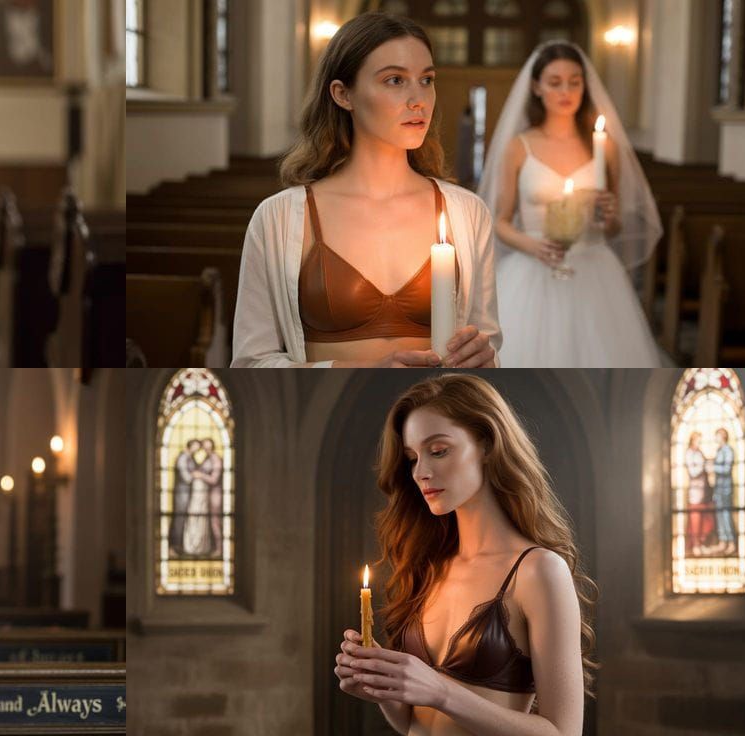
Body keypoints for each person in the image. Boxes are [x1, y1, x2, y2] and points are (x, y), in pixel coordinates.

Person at [232, 13, 500, 368]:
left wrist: (485, 358)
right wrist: (361, 375)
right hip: (336, 415)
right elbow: (251, 364)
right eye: (394, 80)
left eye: (427, 80)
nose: (418, 99)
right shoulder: (277, 218)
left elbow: (489, 349)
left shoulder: (468, 212)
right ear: (343, 94)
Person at [334, 374, 595, 736]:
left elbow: (564, 733)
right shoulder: (429, 566)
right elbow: (414, 723)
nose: (421, 472)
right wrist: (381, 686)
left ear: (487, 444)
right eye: (412, 458)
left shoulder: (538, 571)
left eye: (438, 451)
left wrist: (441, 691)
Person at [478, 42, 663, 367]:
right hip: (534, 265)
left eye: (575, 81)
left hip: (592, 264)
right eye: (555, 82)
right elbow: (501, 220)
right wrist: (532, 245)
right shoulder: (519, 148)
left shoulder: (604, 148)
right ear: (536, 87)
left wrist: (608, 218)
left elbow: (615, 223)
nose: (566, 90)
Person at [710, 428, 737, 555]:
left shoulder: (728, 451)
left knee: (726, 515)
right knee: (719, 515)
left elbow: (726, 469)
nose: (715, 439)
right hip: (718, 489)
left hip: (726, 488)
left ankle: (731, 543)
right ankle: (722, 542)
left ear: (722, 437)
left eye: (717, 436)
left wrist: (713, 467)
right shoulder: (719, 450)